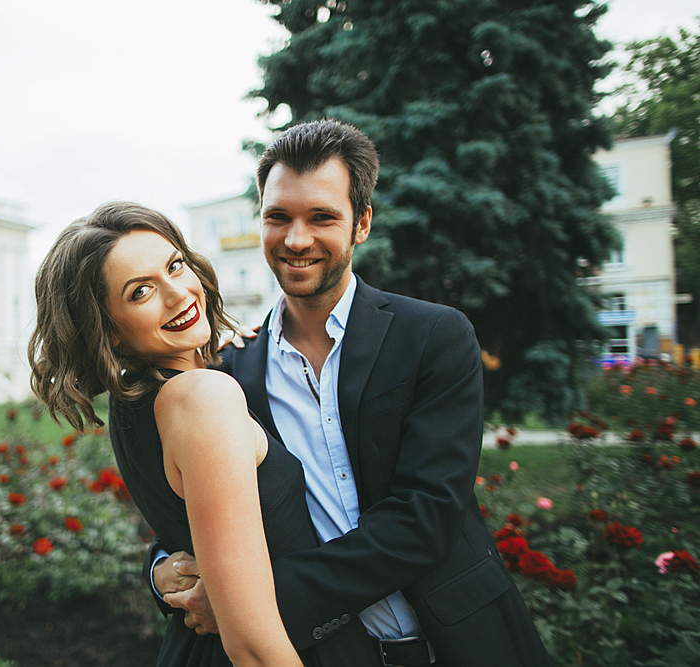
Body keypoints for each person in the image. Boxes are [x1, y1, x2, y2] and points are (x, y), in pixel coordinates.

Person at [149, 119, 552, 666]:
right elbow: (199, 507)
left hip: (455, 644)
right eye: (278, 217)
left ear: (361, 223)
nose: (296, 239)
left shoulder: (434, 336)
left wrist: (250, 602)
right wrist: (161, 570)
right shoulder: (227, 373)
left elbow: (426, 516)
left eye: (322, 217)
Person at [28, 202, 366, 666]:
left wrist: (160, 571)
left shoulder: (138, 404)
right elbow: (250, 643)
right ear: (110, 334)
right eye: (141, 292)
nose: (178, 294)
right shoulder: (203, 398)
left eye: (174, 266)